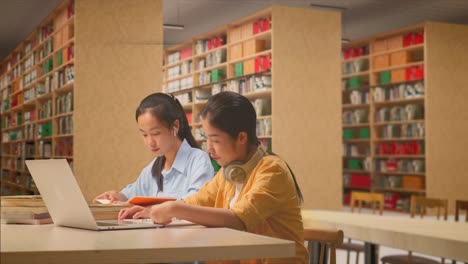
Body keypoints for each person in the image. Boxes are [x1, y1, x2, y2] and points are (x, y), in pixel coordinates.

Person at [119, 91, 308, 263]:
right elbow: (196, 201)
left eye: (215, 140)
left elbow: (238, 219)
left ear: (242, 138)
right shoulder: (227, 174)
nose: (209, 148)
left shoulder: (272, 170)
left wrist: (174, 208)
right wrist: (153, 210)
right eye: (206, 139)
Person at [93, 93, 214, 203]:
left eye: (155, 133)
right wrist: (117, 196)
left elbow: (197, 202)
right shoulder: (153, 169)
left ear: (175, 126)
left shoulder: (198, 160)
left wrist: (156, 210)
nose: (150, 142)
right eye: (144, 135)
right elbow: (131, 193)